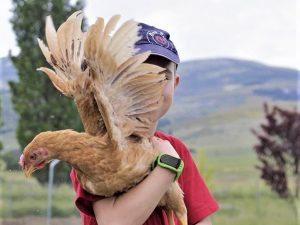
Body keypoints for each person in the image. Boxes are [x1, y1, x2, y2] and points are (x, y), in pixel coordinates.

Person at [70, 22, 219, 225]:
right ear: (112, 80)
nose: (152, 85)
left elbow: (201, 221)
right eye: (139, 73)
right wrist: (167, 166)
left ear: (175, 84)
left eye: (163, 76)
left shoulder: (177, 149)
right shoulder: (95, 149)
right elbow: (114, 222)